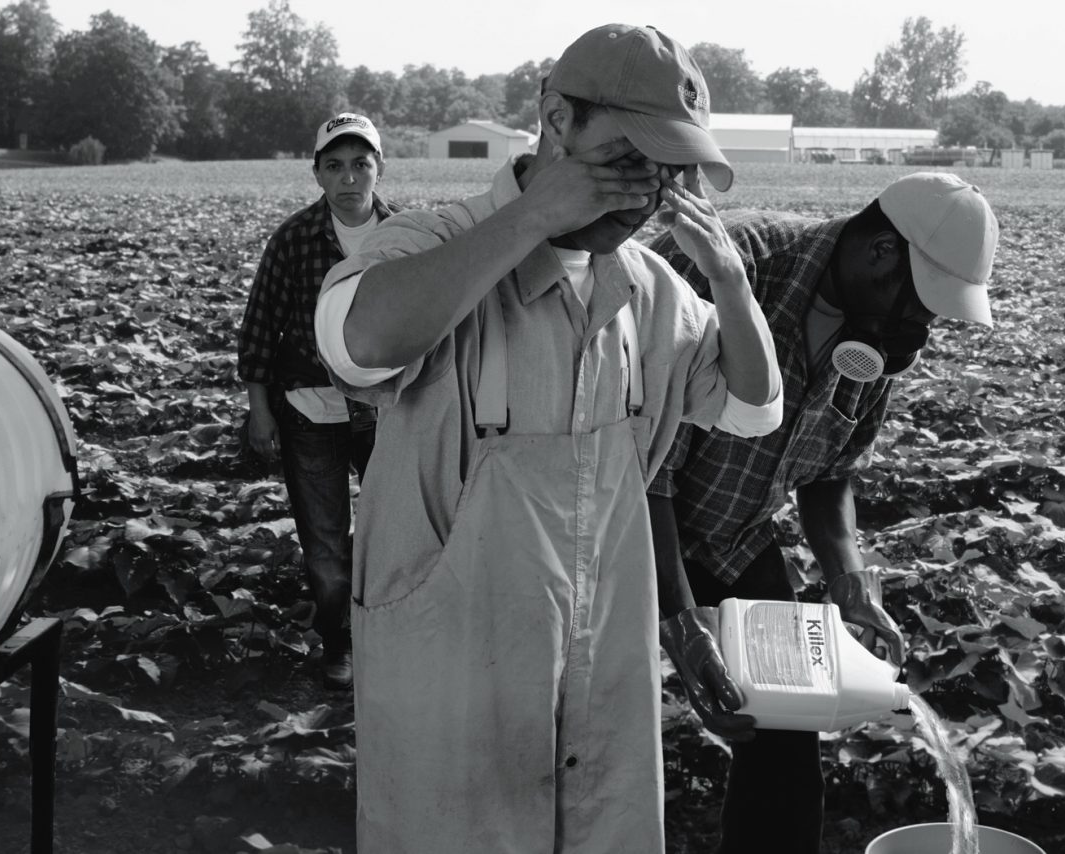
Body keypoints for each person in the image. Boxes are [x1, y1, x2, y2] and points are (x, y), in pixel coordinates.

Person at [310, 24, 782, 853]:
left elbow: (754, 406)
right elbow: (360, 343)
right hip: (454, 662)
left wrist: (733, 283)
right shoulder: (433, 240)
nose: (641, 195)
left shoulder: (650, 287)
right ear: (558, 120)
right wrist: (533, 217)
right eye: (626, 159)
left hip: (599, 657)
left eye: (665, 173)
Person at [646, 172, 998, 854]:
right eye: (922, 306)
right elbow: (644, 468)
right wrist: (680, 624)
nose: (920, 328)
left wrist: (849, 577)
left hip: (732, 534)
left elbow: (832, 470)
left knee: (782, 742)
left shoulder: (875, 341)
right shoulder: (726, 265)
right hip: (619, 529)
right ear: (880, 254)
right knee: (604, 728)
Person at [234, 112, 399, 687]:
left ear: (379, 168)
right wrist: (260, 410)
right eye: (335, 166)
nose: (349, 177)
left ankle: (396, 637)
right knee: (326, 543)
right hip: (310, 409)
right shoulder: (295, 238)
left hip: (387, 409)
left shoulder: (405, 235)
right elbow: (259, 327)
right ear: (318, 175)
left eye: (360, 164)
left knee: (400, 530)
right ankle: (339, 647)